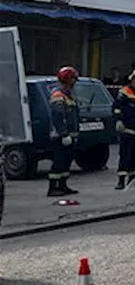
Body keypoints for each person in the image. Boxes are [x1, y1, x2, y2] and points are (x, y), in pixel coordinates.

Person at [47, 66, 80, 197]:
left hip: (70, 136)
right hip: (60, 137)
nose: (75, 82)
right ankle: (52, 188)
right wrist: (64, 134)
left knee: (66, 162)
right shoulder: (58, 95)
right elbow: (58, 116)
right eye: (73, 79)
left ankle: (62, 185)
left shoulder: (69, 95)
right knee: (59, 162)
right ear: (67, 79)